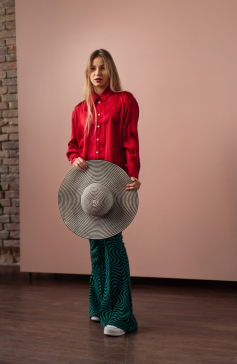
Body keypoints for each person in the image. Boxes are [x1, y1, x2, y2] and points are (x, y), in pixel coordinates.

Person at [66, 48, 141, 337]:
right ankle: (98, 305)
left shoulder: (125, 102)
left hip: (113, 183)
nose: (97, 73)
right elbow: (73, 145)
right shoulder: (79, 110)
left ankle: (121, 317)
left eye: (103, 68)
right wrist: (75, 158)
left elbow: (130, 141)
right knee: (96, 243)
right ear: (88, 73)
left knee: (112, 243)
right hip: (87, 185)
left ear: (111, 71)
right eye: (93, 69)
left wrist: (133, 173)